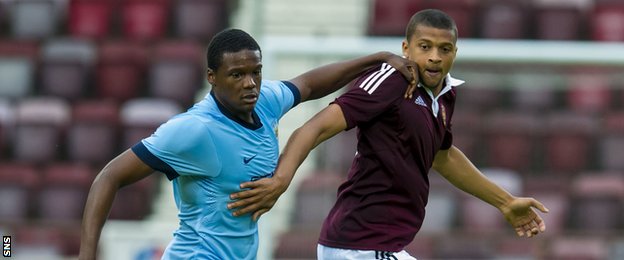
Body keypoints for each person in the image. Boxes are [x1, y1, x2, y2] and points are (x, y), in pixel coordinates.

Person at [228, 9, 549, 259]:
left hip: (381, 246)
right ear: (406, 48)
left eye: (444, 48)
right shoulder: (391, 80)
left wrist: (505, 202)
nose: (435, 56)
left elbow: (443, 156)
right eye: (425, 47)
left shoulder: (445, 95)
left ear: (455, 52)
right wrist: (281, 180)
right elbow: (316, 126)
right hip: (358, 245)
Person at [78, 28, 418, 260]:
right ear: (212, 77)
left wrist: (375, 59)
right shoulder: (195, 131)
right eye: (237, 75)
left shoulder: (265, 100)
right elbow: (108, 176)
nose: (251, 83)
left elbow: (310, 85)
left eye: (256, 71)